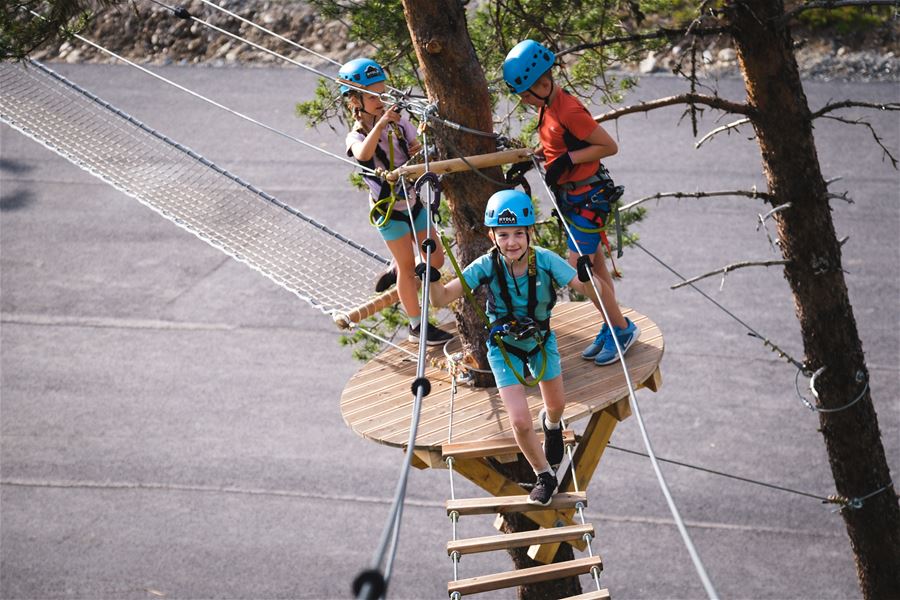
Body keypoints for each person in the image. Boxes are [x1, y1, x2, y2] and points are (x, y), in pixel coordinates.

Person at [430, 190, 632, 505]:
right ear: (491, 235)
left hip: (540, 342)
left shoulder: (546, 260)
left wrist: (588, 276)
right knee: (520, 421)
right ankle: (544, 475)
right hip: (503, 349)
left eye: (519, 234)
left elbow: (590, 291)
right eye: (504, 234)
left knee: (556, 406)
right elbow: (441, 298)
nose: (512, 242)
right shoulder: (485, 265)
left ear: (530, 233)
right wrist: (429, 278)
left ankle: (551, 425)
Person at [502, 40, 638, 365]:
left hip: (587, 197)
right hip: (574, 198)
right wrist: (538, 157)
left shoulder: (569, 110)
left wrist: (568, 160)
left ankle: (621, 329)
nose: (522, 100)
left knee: (581, 271)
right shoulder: (548, 107)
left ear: (542, 83)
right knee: (597, 267)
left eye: (524, 93)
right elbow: (557, 143)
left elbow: (608, 146)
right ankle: (612, 324)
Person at [339, 58, 453, 345]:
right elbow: (363, 155)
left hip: (413, 202)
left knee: (435, 259)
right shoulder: (356, 135)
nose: (380, 100)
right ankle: (417, 327)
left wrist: (419, 150)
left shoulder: (400, 124)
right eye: (372, 96)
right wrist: (380, 125)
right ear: (355, 101)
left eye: (382, 93)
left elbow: (415, 150)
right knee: (407, 268)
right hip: (388, 211)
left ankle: (397, 266)